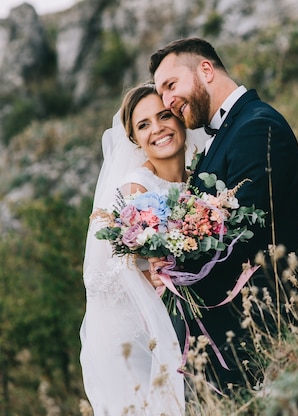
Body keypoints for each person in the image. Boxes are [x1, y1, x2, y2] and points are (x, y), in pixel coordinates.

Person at [147, 37, 298, 389]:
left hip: (262, 315)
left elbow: (246, 234)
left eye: (171, 85)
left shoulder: (255, 126)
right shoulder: (227, 132)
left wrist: (178, 271)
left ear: (205, 70)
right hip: (234, 322)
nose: (168, 102)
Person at [80, 83, 208, 415]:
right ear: (135, 139)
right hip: (136, 336)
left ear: (180, 119)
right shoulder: (133, 189)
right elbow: (99, 277)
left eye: (164, 116)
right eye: (144, 124)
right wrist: (144, 280)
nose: (158, 129)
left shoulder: (200, 183)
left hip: (188, 324)